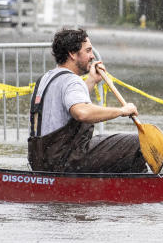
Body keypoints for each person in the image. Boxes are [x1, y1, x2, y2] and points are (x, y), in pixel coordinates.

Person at [27, 28, 146, 173]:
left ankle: (107, 186)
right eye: (88, 51)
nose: (92, 56)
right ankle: (141, 189)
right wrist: (122, 111)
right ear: (72, 53)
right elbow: (81, 112)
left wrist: (91, 81)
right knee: (138, 143)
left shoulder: (46, 78)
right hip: (65, 161)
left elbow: (69, 105)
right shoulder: (72, 81)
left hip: (41, 161)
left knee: (102, 139)